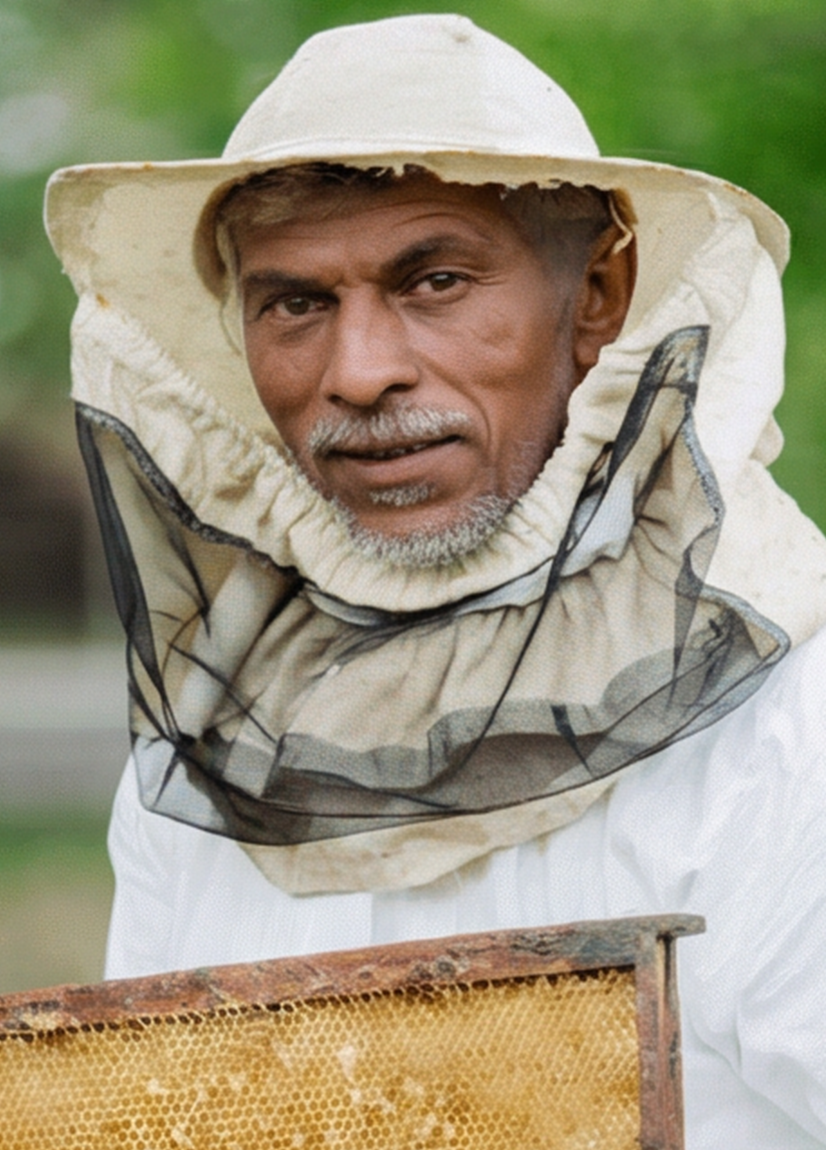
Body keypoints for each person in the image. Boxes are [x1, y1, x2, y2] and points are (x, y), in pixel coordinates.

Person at [46, 14, 826, 1147]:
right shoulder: (216, 744)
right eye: (296, 303)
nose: (359, 372)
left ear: (599, 296)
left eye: (438, 279)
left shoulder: (788, 723)